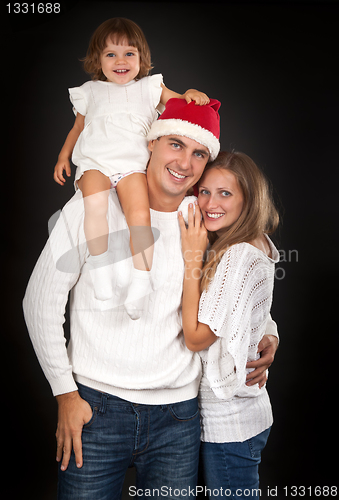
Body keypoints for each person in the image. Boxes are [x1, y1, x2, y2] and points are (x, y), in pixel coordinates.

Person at [23, 99, 279, 500]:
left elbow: (240, 279)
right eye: (175, 144)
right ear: (151, 144)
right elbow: (39, 302)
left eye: (198, 153)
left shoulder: (205, 216)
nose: (185, 161)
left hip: (178, 417)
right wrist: (65, 394)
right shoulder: (96, 207)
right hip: (96, 409)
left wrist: (268, 331)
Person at [53, 17, 210, 319]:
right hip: (96, 164)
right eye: (111, 54)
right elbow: (77, 128)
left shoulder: (149, 88)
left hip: (132, 166)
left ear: (141, 58)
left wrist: (190, 93)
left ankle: (141, 280)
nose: (120, 61)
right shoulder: (90, 91)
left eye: (129, 54)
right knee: (95, 208)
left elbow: (180, 104)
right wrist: (64, 156)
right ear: (98, 59)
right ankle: (101, 272)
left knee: (139, 215)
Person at [178, 151, 280, 499]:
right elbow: (252, 312)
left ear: (248, 200)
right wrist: (271, 333)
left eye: (225, 193)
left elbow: (194, 338)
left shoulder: (238, 255)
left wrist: (192, 259)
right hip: (242, 418)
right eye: (204, 191)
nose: (210, 203)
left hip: (229, 425)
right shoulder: (254, 242)